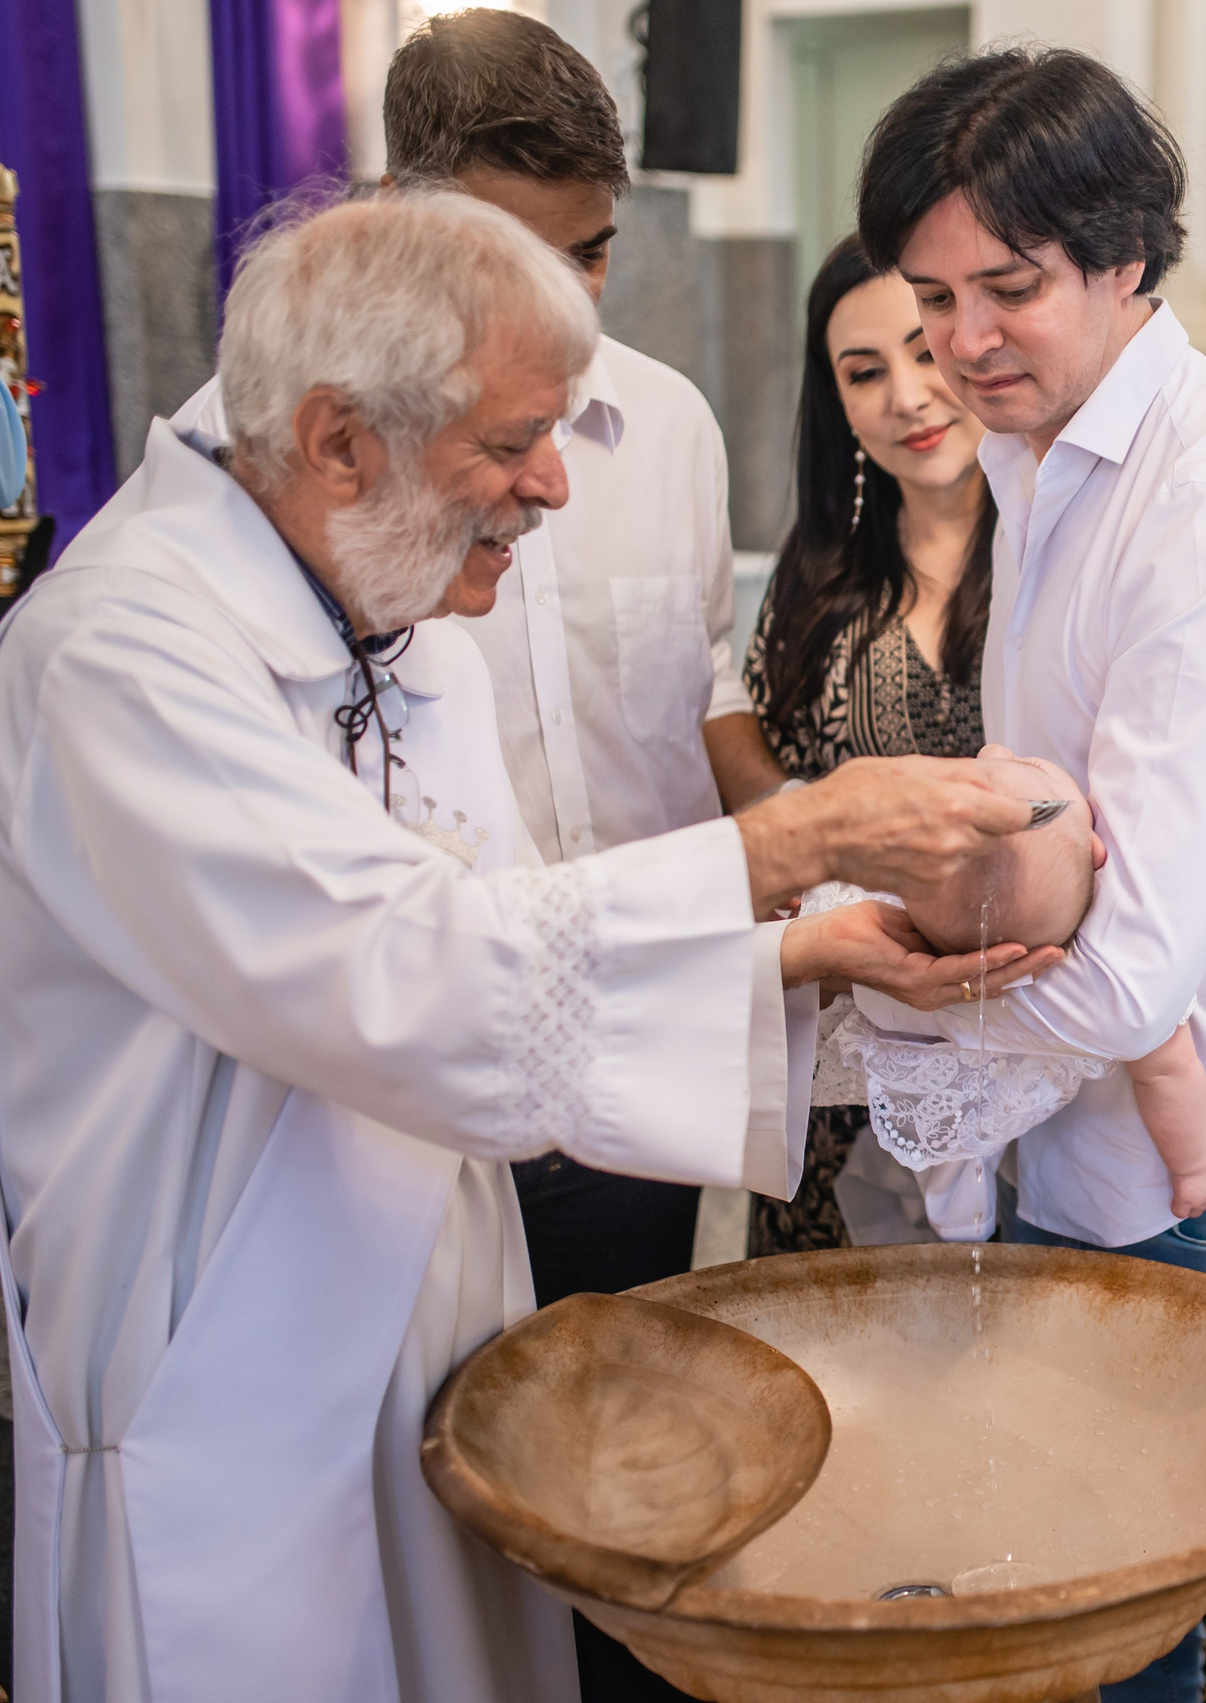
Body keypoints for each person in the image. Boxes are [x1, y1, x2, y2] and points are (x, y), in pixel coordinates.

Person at [0, 194, 1051, 1703]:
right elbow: (405, 978)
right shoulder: (123, 658)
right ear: (338, 438)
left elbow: (511, 946)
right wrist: (795, 840)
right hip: (226, 1385)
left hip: (427, 1335)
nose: (552, 485)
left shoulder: (400, 630)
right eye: (508, 445)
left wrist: (800, 959)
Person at [848, 46, 1206, 1703]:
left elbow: (1132, 971)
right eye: (932, 294)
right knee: (1101, 1618)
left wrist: (864, 999)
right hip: (1088, 1144)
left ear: (1125, 259)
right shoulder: (1046, 455)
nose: (963, 343)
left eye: (1009, 290)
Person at [166, 10, 766, 1317]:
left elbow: (699, 676)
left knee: (620, 1445)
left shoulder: (669, 425)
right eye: (511, 257)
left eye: (591, 253)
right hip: (396, 1091)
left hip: (628, 1056)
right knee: (421, 1477)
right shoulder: (269, 449)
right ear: (395, 214)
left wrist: (783, 832)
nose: (565, 304)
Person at [726, 231, 1002, 1253]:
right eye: (864, 371)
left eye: (924, 349)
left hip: (1028, 1071)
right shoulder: (813, 584)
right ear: (834, 401)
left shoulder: (1057, 560)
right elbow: (769, 816)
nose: (908, 395)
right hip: (839, 1087)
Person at [816, 751, 1206, 1240]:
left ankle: (955, 1212)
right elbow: (1168, 1073)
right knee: (968, 1126)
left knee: (956, 1132)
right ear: (1097, 853)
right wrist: (1197, 1166)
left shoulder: (904, 948)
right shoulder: (1112, 971)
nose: (993, 750)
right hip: (1006, 1093)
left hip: (947, 1074)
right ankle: (956, 1210)